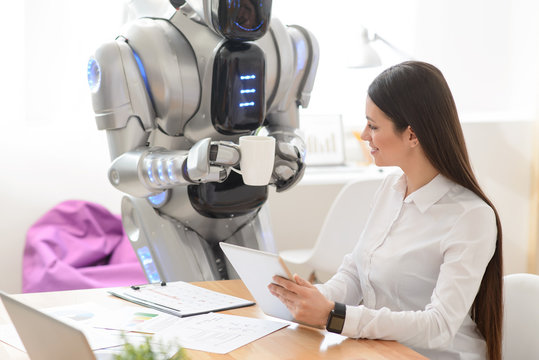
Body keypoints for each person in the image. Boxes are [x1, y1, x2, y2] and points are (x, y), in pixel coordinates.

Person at [268, 61, 503, 360]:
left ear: (412, 135)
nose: (364, 135)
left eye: (374, 125)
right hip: (379, 351)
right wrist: (312, 300)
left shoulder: (470, 217)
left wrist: (335, 316)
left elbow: (440, 326)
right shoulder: (389, 190)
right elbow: (355, 273)